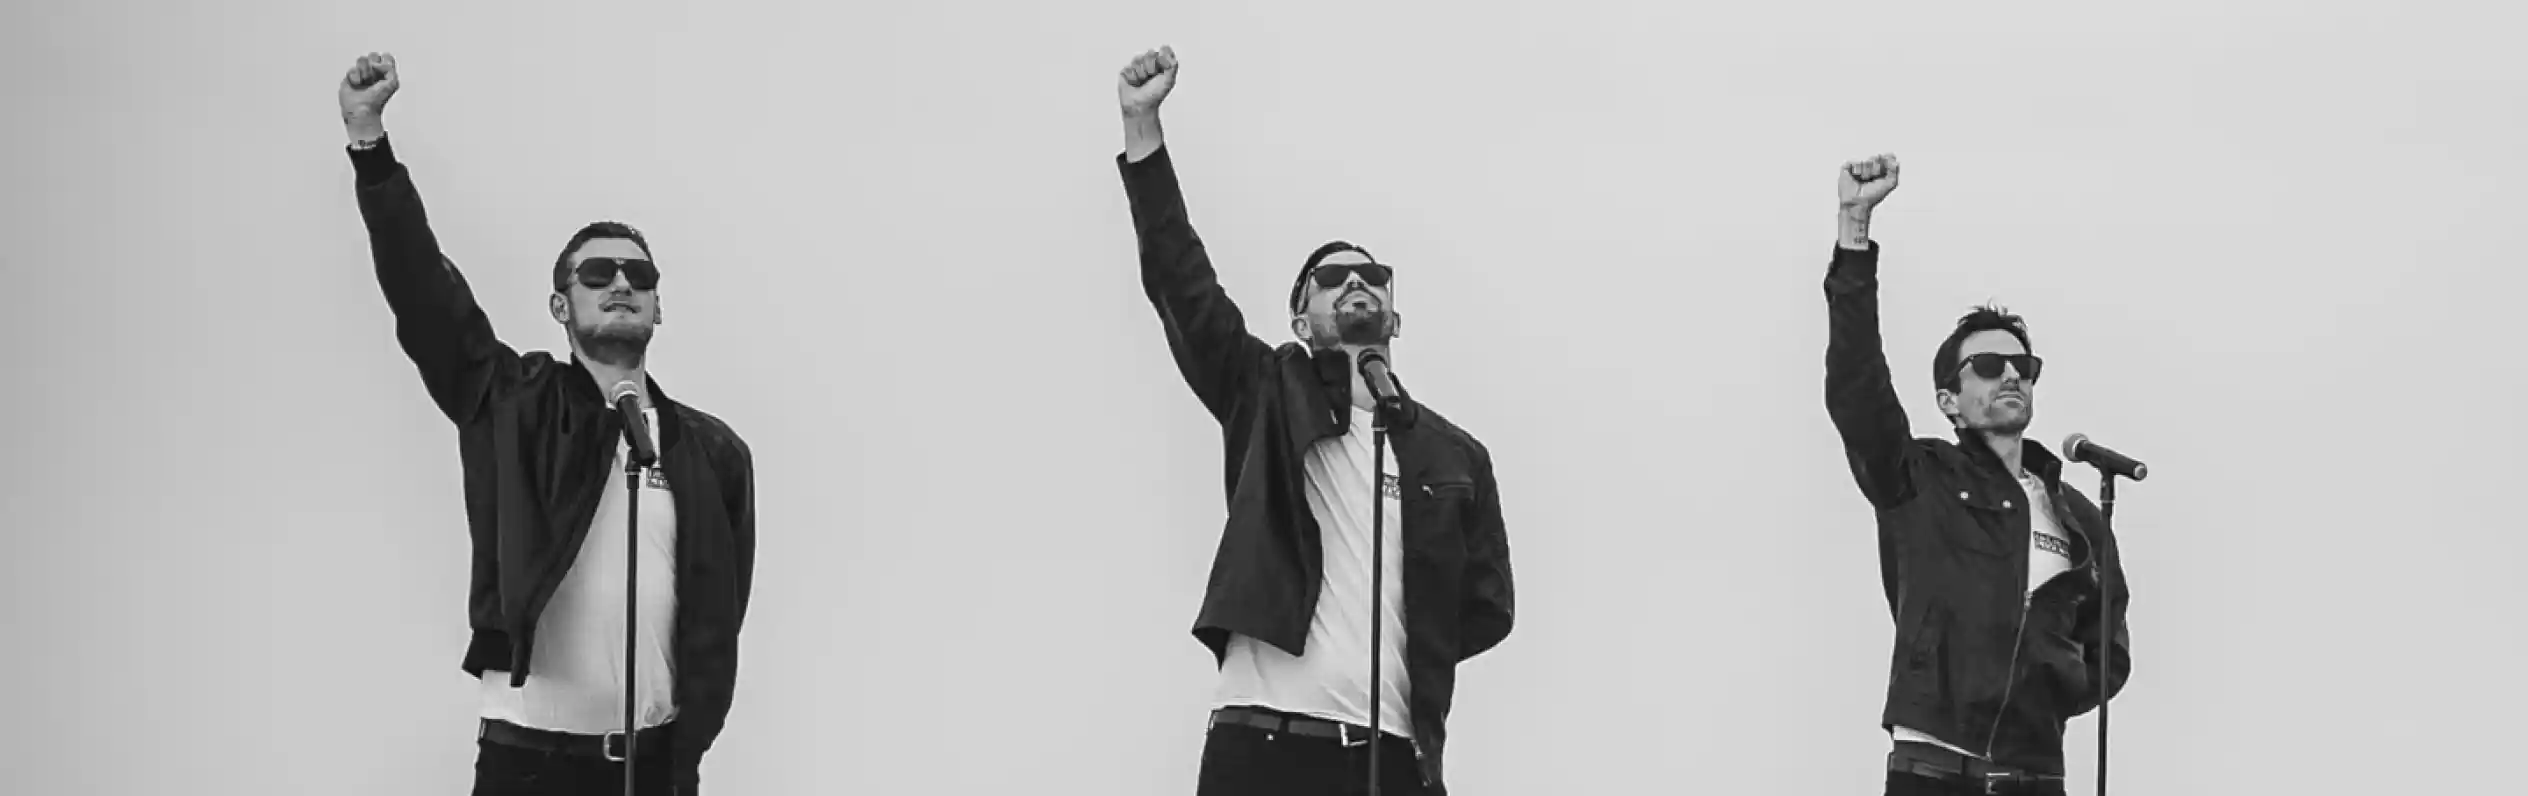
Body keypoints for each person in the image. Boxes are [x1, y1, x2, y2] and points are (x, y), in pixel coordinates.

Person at [336, 52, 757, 796]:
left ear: (660, 307)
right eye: (596, 275)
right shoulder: (512, 401)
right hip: (528, 766)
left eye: (639, 276)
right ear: (561, 306)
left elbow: (719, 619)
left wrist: (689, 750)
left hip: (653, 769)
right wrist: (371, 149)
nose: (621, 283)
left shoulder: (713, 453)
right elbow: (425, 292)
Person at [1111, 47, 1516, 796]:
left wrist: (1406, 647)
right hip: (1264, 741)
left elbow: (1488, 605)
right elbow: (1182, 282)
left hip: (1394, 758)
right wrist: (1143, 129)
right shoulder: (1268, 392)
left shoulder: (1454, 456)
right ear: (1303, 316)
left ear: (1394, 313)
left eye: (1372, 277)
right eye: (1333, 278)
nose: (1356, 282)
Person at [1820, 153, 2134, 795]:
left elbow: (2111, 651)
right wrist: (1855, 230)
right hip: (1935, 771)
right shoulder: (1921, 479)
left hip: (2036, 774)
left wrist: (2053, 682)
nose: (2012, 375)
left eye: (2025, 366)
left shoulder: (2077, 513)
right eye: (1989, 366)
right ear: (1948, 401)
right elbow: (1856, 389)